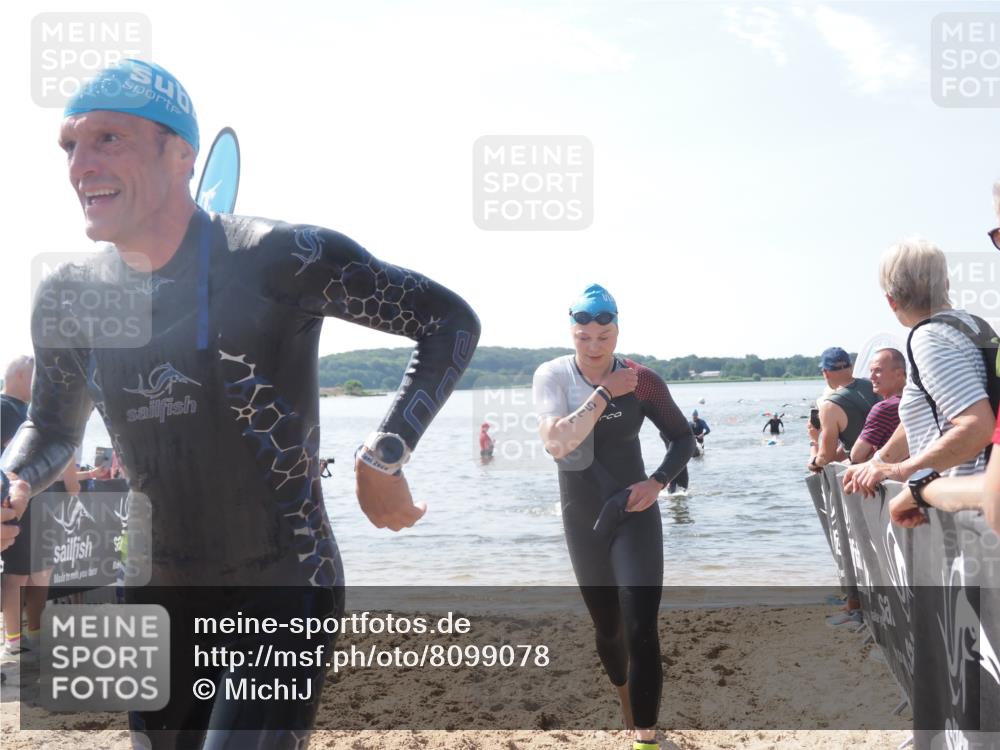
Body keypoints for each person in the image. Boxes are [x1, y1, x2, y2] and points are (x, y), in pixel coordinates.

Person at [0, 59, 479, 749]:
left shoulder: (278, 257)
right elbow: (50, 427)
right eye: (70, 145)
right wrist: (14, 479)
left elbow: (448, 321)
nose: (81, 164)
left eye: (109, 139)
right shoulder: (69, 297)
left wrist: (386, 452)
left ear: (181, 153)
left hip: (283, 583)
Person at [533, 284, 695, 750]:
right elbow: (558, 443)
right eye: (583, 336)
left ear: (616, 332)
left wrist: (658, 482)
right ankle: (627, 707)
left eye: (603, 337)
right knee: (608, 628)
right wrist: (604, 391)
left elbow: (682, 438)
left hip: (634, 512)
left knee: (641, 623)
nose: (593, 346)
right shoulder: (553, 376)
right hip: (581, 518)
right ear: (572, 333)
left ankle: (645, 737)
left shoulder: (643, 380)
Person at [843, 238, 994, 497]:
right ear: (946, 285)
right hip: (982, 493)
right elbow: (922, 412)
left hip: (962, 510)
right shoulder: (974, 326)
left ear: (891, 301)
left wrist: (902, 471)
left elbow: (977, 427)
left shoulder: (930, 339)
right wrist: (879, 462)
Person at [808, 347, 878, 473]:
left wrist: (814, 444)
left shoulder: (829, 407)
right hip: (890, 460)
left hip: (864, 473)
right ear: (851, 367)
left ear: (825, 372)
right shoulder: (874, 385)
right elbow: (853, 442)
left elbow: (825, 458)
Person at [849, 348, 906, 464]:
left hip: (890, 477)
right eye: (871, 371)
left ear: (899, 374)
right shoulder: (918, 402)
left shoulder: (884, 408)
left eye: (878, 371)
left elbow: (856, 456)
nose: (872, 377)